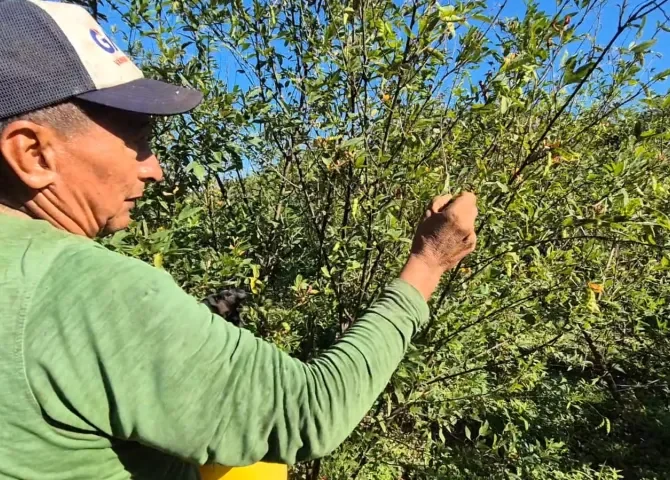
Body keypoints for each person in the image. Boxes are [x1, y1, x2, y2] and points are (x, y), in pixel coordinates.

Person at [0, 1, 478, 479]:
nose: (154, 168)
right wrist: (429, 261)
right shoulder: (87, 288)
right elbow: (309, 412)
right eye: (138, 139)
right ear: (33, 152)